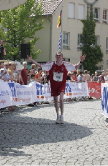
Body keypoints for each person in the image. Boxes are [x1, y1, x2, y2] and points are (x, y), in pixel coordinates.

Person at [28, 52, 85, 124]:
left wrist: (81, 61)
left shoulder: (66, 64)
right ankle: (57, 115)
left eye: (60, 56)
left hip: (61, 84)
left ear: (62, 57)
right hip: (54, 84)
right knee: (55, 100)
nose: (58, 57)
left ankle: (62, 115)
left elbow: (75, 67)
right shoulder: (51, 64)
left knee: (61, 99)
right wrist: (31, 60)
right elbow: (40, 65)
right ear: (55, 57)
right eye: (57, 56)